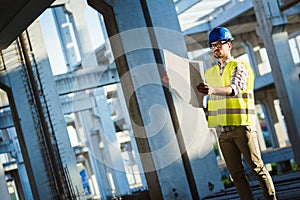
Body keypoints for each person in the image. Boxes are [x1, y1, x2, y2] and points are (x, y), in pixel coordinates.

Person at [196, 27, 276, 200]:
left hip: (241, 127)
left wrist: (212, 90)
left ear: (229, 45)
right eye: (212, 45)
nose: (216, 48)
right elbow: (205, 101)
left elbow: (234, 88)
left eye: (219, 44)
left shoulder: (239, 66)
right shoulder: (209, 74)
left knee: (257, 168)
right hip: (222, 132)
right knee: (236, 175)